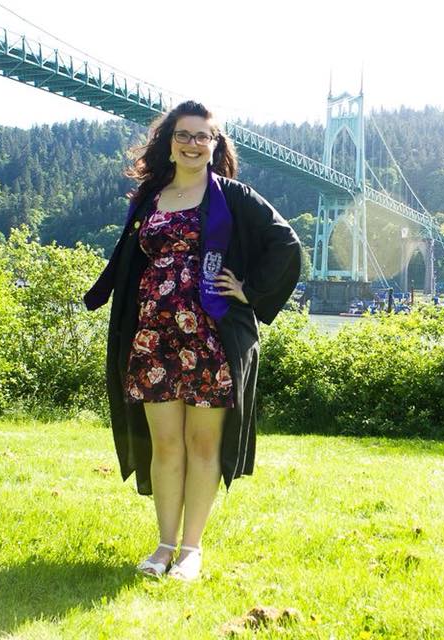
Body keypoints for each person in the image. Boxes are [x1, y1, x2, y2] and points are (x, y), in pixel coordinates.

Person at [83, 100, 302, 581]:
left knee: (203, 445)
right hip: (154, 337)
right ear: (170, 142)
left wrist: (250, 291)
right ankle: (163, 547)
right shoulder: (151, 199)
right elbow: (128, 259)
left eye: (204, 136)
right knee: (166, 444)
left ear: (216, 144)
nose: (193, 144)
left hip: (212, 337)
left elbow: (286, 243)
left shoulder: (233, 196)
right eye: (184, 135)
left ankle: (191, 551)